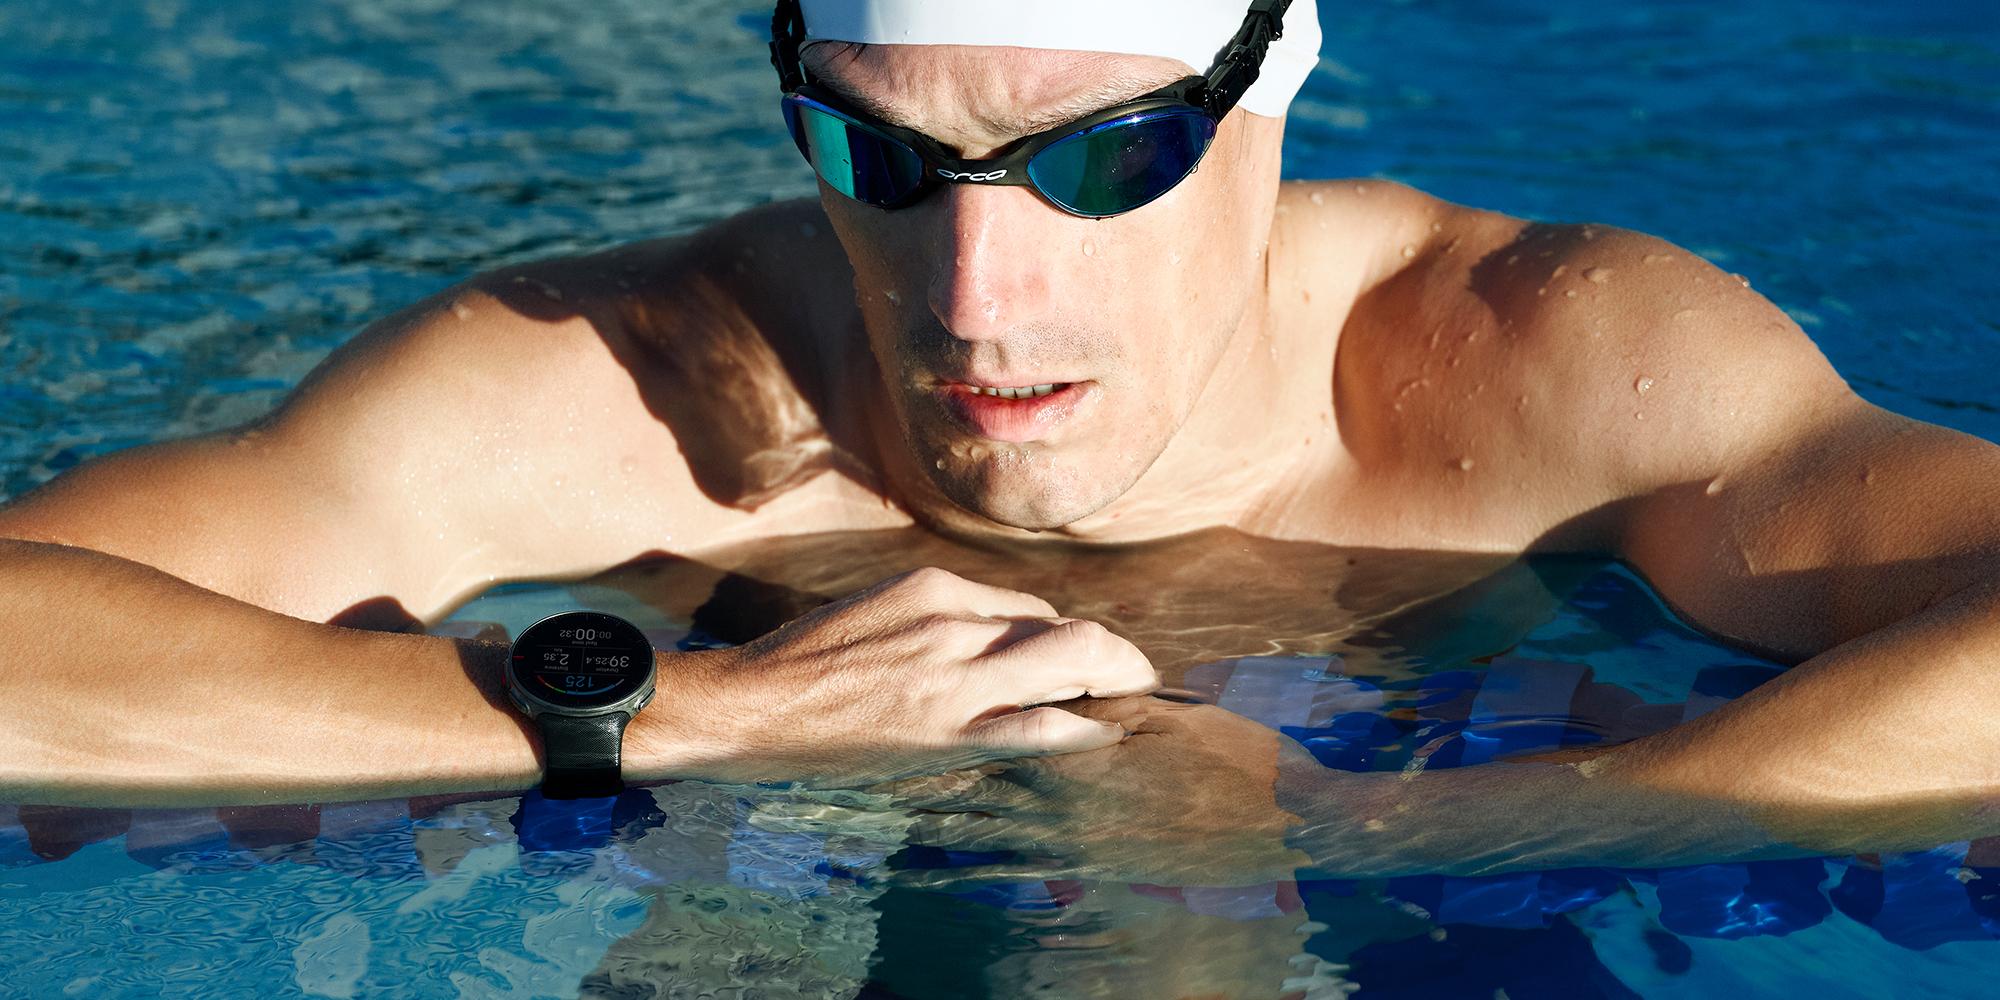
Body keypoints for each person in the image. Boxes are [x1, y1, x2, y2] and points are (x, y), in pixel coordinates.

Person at [0, 0, 1993, 878]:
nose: (975, 292)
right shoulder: (633, 385)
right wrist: (683, 718)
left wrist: (1402, 826)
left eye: (1101, 160)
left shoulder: (1538, 371)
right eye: (881, 153)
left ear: (1268, 94)